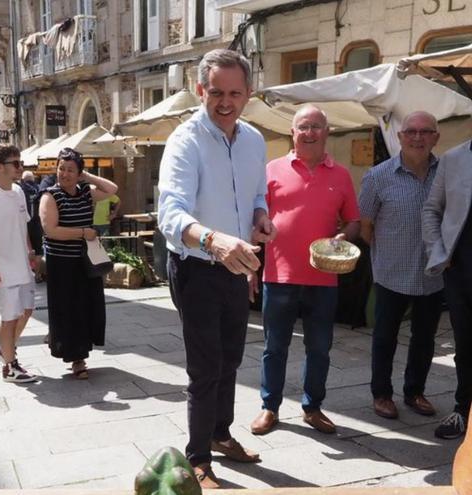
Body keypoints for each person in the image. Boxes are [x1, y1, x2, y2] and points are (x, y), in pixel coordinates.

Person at [157, 49, 275, 488]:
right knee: (205, 367)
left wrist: (260, 217)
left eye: (235, 93)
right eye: (217, 92)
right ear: (200, 90)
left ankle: (221, 433)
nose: (225, 102)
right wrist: (213, 239)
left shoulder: (254, 140)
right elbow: (169, 214)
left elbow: (258, 193)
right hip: (196, 267)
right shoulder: (184, 141)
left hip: (237, 265)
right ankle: (197, 456)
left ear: (248, 94)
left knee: (231, 359)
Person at [251, 105, 361, 437]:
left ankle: (312, 407)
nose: (309, 132)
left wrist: (344, 237)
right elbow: (255, 220)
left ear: (327, 132)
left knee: (320, 347)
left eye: (316, 126)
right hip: (279, 276)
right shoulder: (271, 169)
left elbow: (354, 221)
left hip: (323, 278)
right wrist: (251, 264)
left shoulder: (340, 174)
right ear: (292, 133)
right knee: (274, 346)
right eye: (303, 127)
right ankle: (269, 407)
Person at [360, 111, 444, 421]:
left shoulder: (446, 172)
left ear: (436, 137)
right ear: (400, 137)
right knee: (385, 337)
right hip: (391, 273)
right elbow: (366, 226)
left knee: (424, 338)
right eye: (411, 131)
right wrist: (385, 253)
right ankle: (381, 394)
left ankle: (415, 391)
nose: (418, 137)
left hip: (433, 273)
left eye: (425, 132)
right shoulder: (378, 176)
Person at [40, 147, 117, 379]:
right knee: (68, 310)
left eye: (71, 170)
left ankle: (76, 349)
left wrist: (88, 177)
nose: (64, 174)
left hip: (86, 261)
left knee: (87, 308)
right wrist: (83, 232)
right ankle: (76, 358)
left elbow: (112, 190)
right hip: (61, 264)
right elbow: (50, 230)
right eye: (61, 168)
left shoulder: (85, 191)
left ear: (79, 173)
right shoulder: (50, 195)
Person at [422, 133, 472, 440]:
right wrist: (440, 253)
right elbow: (431, 209)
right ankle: (461, 409)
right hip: (461, 272)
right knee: (465, 347)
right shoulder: (453, 158)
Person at [0, 145, 38, 383]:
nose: (21, 167)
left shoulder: (19, 191)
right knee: (9, 317)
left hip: (21, 265)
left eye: (21, 163)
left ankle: (6, 351)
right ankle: (11, 366)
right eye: (16, 163)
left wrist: (30, 251)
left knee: (27, 310)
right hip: (1, 270)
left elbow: (23, 226)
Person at [20, 171, 44, 282]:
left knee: (25, 250)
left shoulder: (20, 190)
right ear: (33, 179)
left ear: (23, 179)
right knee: (38, 251)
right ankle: (37, 276)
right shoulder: (39, 189)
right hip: (38, 224)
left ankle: (27, 274)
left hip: (25, 224)